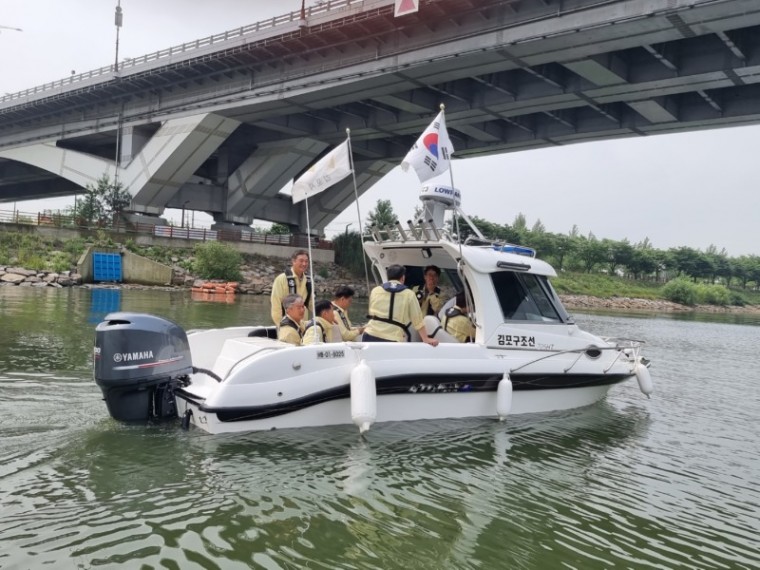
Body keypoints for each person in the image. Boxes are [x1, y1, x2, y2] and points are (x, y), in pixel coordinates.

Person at [363, 264, 439, 346]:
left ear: (388, 276)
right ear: (403, 278)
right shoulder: (409, 294)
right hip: (392, 339)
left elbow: (372, 312)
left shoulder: (375, 290)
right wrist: (425, 339)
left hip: (369, 335)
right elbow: (417, 320)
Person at [270, 249, 312, 325]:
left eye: (306, 261)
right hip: (286, 325)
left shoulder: (308, 282)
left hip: (303, 326)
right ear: (293, 261)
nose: (304, 264)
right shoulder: (281, 279)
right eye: (301, 261)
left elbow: (312, 304)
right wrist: (281, 326)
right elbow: (276, 306)